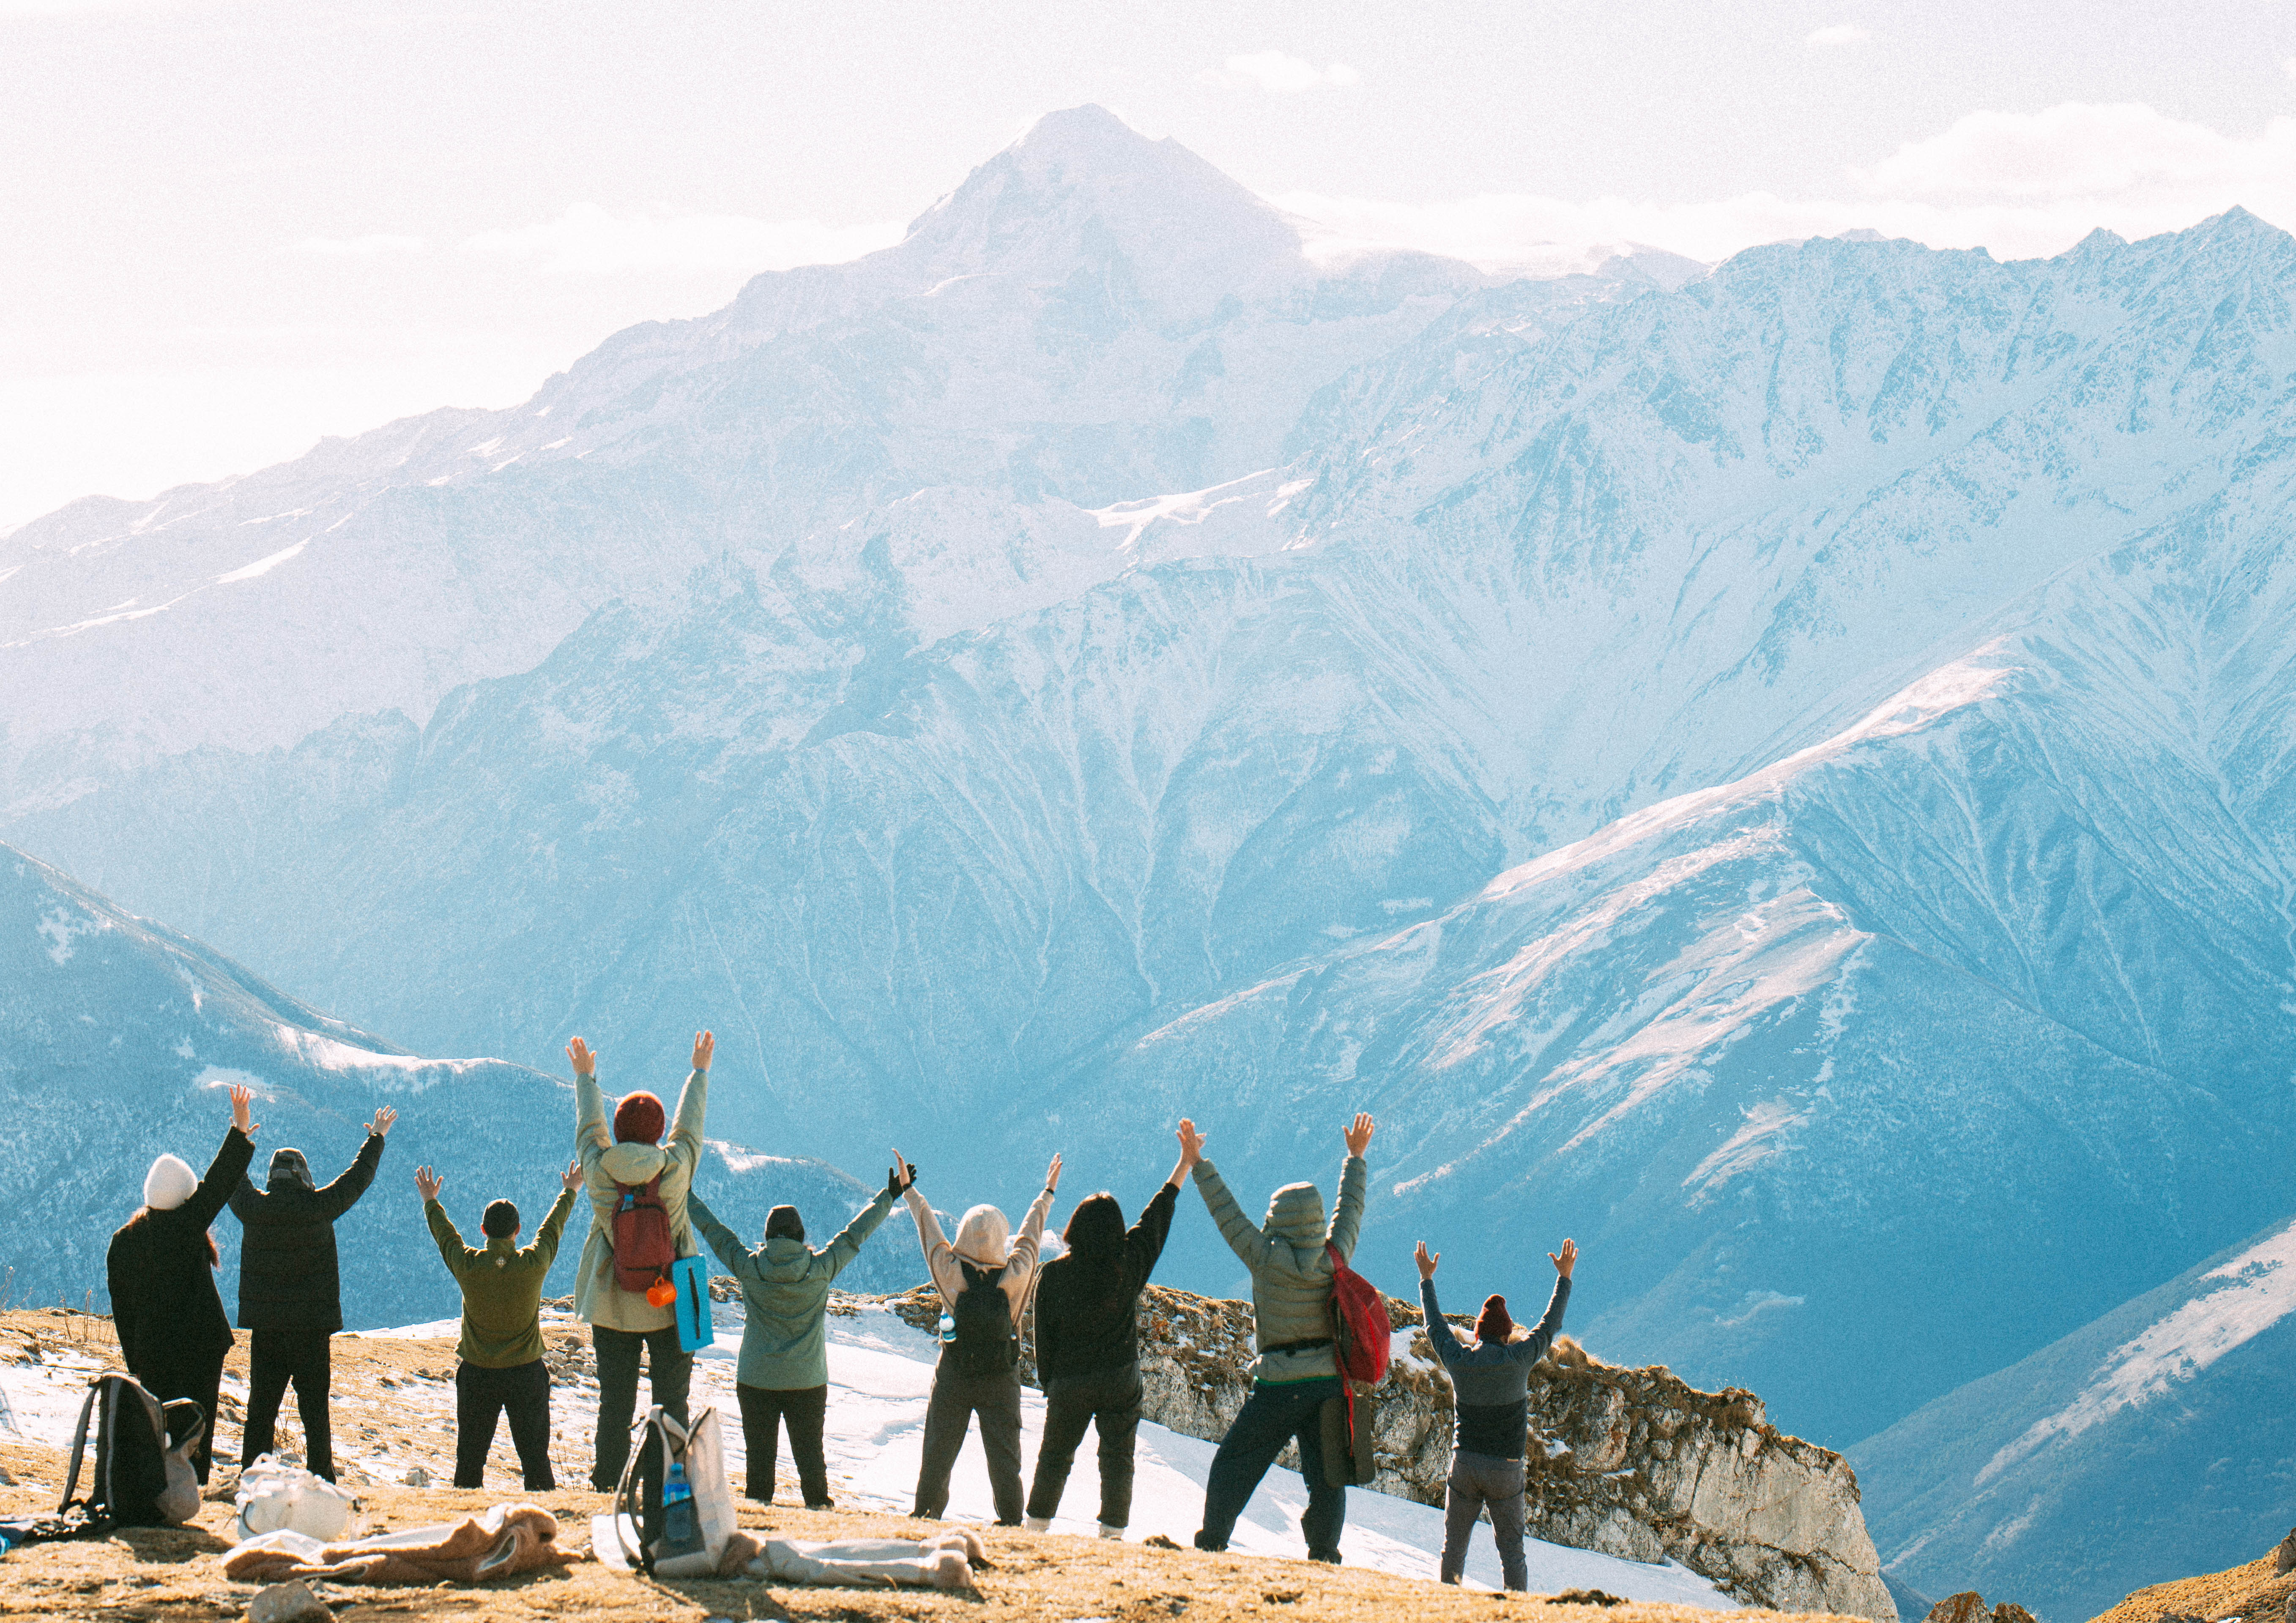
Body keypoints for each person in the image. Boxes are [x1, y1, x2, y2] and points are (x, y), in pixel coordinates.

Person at [1189, 1111, 1374, 1563]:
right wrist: (1355, 1158)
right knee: (1327, 1476)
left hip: (1277, 1383)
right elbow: (1349, 1210)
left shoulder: (1262, 1256)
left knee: (1236, 1462)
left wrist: (1197, 1163)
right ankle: (1324, 1553)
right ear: (1314, 1220)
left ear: (1275, 1218)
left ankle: (1213, 1539)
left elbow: (1226, 1212)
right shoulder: (1335, 1255)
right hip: (1326, 1383)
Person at [689, 1156, 907, 1508]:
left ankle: (758, 1518)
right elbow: (855, 1235)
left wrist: (684, 1195)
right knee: (810, 1460)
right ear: (802, 1236)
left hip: (756, 1378)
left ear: (766, 1236)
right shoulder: (820, 1268)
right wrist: (890, 1196)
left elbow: (715, 1232)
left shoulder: (749, 1267)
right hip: (807, 1380)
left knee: (759, 1464)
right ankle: (818, 1511)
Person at [1022, 1125, 1192, 1538]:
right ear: (1117, 1231)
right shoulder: (1128, 1262)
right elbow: (1156, 1217)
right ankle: (1112, 1534)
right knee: (1118, 1458)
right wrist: (1184, 1164)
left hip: (1070, 1379)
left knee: (1055, 1456)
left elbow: (1043, 1333)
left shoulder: (1053, 1274)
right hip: (1119, 1376)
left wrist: (1050, 1381)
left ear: (1075, 1227)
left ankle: (1037, 1527)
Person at [570, 1029, 712, 1492]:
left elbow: (589, 1132)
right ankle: (672, 1485)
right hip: (674, 1300)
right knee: (673, 1402)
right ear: (658, 1131)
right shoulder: (676, 1167)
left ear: (618, 1130)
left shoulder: (598, 1171)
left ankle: (607, 1483)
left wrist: (586, 1079)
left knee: (615, 1403)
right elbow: (689, 1129)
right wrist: (698, 1072)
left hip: (613, 1303)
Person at [230, 1104, 397, 1481]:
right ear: (303, 1176)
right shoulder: (321, 1207)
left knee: (261, 1412)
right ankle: (322, 1479)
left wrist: (238, 1138)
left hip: (267, 1330)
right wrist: (376, 1138)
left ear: (272, 1177)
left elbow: (232, 1179)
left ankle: (254, 1480)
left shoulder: (254, 1210)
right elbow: (358, 1178)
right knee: (315, 1414)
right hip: (311, 1330)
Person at [105, 1083, 261, 1484]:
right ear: (183, 1198)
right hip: (200, 1348)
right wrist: (240, 1131)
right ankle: (194, 1490)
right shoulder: (186, 1227)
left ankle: (163, 1492)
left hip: (153, 1352)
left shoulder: (123, 1242)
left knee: (163, 1429)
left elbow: (122, 1309)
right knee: (197, 1429)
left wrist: (136, 1359)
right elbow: (218, 1183)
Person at [901, 1148, 1061, 1525]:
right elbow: (1031, 1236)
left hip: (954, 1372)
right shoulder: (1017, 1274)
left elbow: (930, 1234)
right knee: (1005, 1456)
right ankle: (1010, 1521)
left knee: (939, 1449)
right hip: (1000, 1377)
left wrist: (910, 1192)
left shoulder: (950, 1273)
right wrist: (1047, 1193)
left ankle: (926, 1513)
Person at [1415, 1235, 1576, 1590]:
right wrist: (1564, 1277)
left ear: (1477, 1335)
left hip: (1465, 1465)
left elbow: (1435, 1328)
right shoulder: (1519, 1359)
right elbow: (1549, 1325)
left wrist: (1426, 1280)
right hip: (1505, 1469)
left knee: (1454, 1548)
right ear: (1506, 1336)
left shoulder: (1459, 1361)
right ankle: (1516, 1610)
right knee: (1512, 1554)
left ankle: (1446, 1605)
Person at [417, 1158, 583, 1492]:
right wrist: (569, 1192)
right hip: (526, 1374)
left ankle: (465, 1521)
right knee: (535, 1461)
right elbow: (551, 1230)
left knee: (470, 1461)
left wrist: (431, 1201)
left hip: (477, 1374)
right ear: (518, 1230)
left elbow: (446, 1237)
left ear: (483, 1231)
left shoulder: (468, 1265)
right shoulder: (533, 1263)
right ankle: (544, 1520)